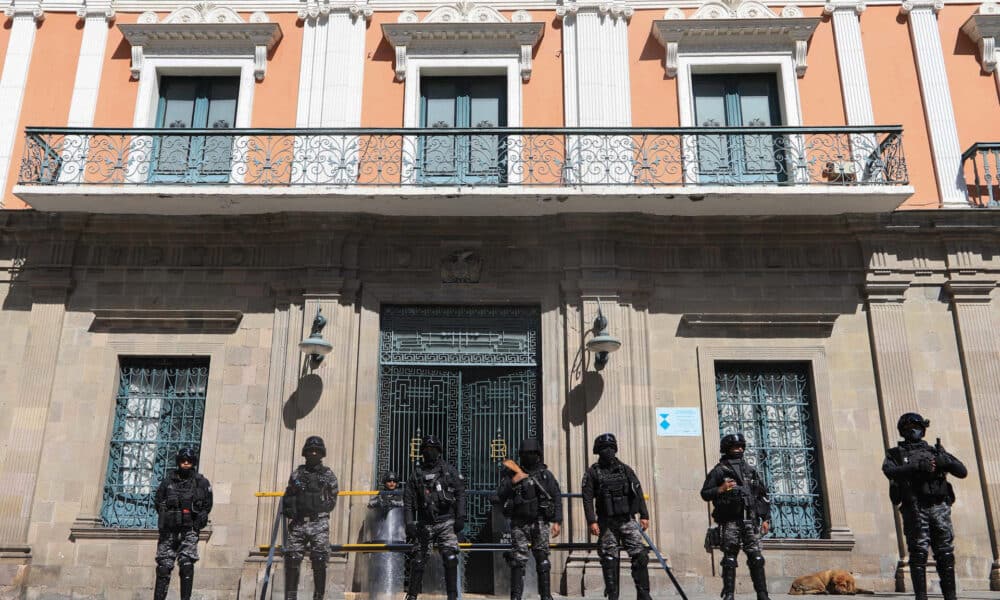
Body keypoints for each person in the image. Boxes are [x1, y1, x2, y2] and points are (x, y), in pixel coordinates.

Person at [883, 413, 967, 600]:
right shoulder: (896, 454)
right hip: (915, 508)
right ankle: (921, 597)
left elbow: (962, 472)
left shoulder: (935, 451)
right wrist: (916, 467)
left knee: (945, 552)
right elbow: (889, 471)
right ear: (902, 431)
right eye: (909, 428)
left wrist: (946, 461)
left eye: (917, 427)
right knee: (918, 553)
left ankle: (950, 596)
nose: (913, 431)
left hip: (939, 507)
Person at [700, 433, 772, 600]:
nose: (739, 450)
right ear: (727, 449)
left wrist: (766, 518)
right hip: (730, 520)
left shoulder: (750, 471)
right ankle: (729, 594)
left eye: (741, 447)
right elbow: (705, 493)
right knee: (730, 558)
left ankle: (762, 594)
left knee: (757, 557)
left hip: (750, 520)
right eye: (735, 447)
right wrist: (721, 489)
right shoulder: (719, 471)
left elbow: (762, 495)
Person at [581, 433, 651, 600]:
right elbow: (587, 498)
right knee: (609, 559)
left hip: (627, 520)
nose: (608, 451)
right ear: (598, 451)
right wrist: (592, 521)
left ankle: (643, 595)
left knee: (640, 556)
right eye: (605, 448)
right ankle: (613, 596)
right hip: (606, 523)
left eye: (611, 448)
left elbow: (638, 492)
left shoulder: (625, 470)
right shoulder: (592, 473)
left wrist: (644, 515)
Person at [496, 438, 563, 600]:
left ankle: (545, 596)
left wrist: (557, 521)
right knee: (518, 561)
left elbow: (556, 497)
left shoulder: (545, 475)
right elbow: (499, 494)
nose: (528, 456)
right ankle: (516, 596)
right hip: (519, 523)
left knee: (542, 559)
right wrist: (514, 480)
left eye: (532, 453)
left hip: (540, 522)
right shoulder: (512, 473)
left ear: (538, 455)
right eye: (525, 454)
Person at [403, 435, 466, 600]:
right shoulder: (416, 475)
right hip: (425, 523)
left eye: (432, 450)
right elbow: (408, 501)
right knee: (418, 560)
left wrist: (461, 517)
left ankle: (452, 596)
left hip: (446, 521)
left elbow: (460, 493)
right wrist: (409, 523)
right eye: (426, 450)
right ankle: (412, 596)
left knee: (450, 558)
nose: (429, 452)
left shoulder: (449, 471)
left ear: (439, 451)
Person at [283, 436, 340, 600]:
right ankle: (291, 596)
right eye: (310, 451)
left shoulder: (328, 474)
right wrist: (290, 508)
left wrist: (320, 508)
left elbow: (333, 496)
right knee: (293, 559)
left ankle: (319, 596)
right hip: (299, 523)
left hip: (318, 523)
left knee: (319, 559)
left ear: (322, 453)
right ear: (305, 453)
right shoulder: (297, 474)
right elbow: (289, 494)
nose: (313, 453)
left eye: (316, 451)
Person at [153, 447, 213, 600]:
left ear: (193, 463)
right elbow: (158, 501)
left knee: (186, 565)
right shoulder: (168, 482)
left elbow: (208, 504)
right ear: (178, 462)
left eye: (189, 461)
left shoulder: (201, 482)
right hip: (169, 531)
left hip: (189, 530)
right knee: (163, 568)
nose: (186, 464)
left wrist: (201, 515)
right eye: (183, 461)